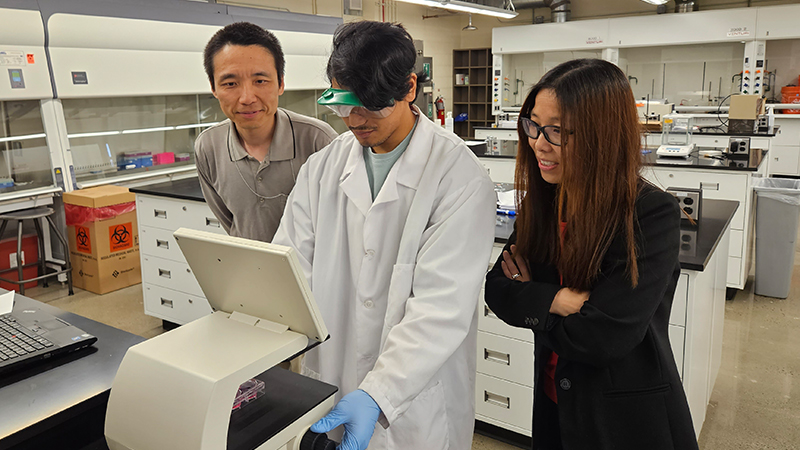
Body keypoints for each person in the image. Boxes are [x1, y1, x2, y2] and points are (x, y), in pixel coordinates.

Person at [272, 21, 496, 450]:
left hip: (413, 406)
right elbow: (288, 268)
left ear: (410, 87)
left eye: (370, 106)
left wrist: (378, 393)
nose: (355, 120)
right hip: (330, 384)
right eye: (344, 104)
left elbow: (439, 309)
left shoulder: (459, 178)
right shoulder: (322, 169)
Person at [484, 59, 698, 450]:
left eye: (558, 131)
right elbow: (496, 288)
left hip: (623, 419)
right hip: (553, 407)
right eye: (533, 125)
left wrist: (532, 297)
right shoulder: (544, 203)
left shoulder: (649, 214)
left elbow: (602, 338)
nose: (538, 143)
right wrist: (557, 300)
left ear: (603, 135)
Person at [196, 22, 338, 242]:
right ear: (214, 88)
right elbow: (232, 223)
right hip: (250, 271)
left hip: (311, 274)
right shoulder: (208, 147)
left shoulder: (319, 140)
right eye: (231, 83)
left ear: (281, 83)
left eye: (260, 81)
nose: (247, 98)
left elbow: (340, 223)